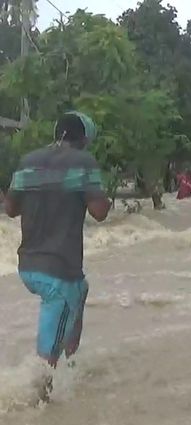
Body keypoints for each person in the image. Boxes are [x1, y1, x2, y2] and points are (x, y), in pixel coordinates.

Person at [4, 111, 110, 396]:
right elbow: (99, 212)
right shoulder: (84, 162)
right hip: (58, 270)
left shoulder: (28, 161)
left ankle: (72, 362)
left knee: (81, 288)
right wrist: (101, 194)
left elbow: (10, 209)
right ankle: (40, 402)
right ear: (84, 139)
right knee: (46, 362)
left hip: (27, 265)